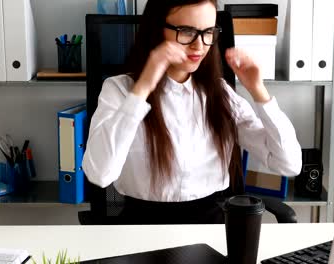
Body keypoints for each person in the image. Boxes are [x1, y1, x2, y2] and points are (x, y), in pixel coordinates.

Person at [82, 0, 302, 224]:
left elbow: (288, 164)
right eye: (187, 32)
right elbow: (99, 174)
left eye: (208, 32)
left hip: (211, 224)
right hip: (142, 224)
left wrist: (259, 91)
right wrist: (142, 89)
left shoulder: (220, 94)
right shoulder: (119, 90)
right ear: (157, 30)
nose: (199, 46)